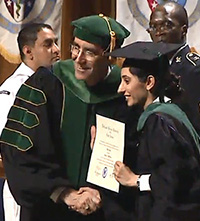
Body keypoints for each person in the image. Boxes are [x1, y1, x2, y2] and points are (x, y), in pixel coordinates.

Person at [0, 15, 136, 221]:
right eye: (75, 47)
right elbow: (17, 150)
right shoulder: (46, 83)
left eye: (89, 52)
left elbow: (141, 160)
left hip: (104, 212)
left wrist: (101, 195)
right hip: (49, 209)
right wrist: (63, 192)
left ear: (109, 55)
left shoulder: (125, 93)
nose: (78, 58)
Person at [110, 41, 200, 221]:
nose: (121, 89)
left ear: (149, 82)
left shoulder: (159, 122)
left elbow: (172, 180)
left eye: (127, 81)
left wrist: (134, 180)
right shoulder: (173, 109)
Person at [0, 23, 60, 221]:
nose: (57, 50)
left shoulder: (55, 83)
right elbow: (10, 143)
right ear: (28, 51)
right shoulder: (14, 89)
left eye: (56, 43)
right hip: (23, 187)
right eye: (48, 44)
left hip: (50, 185)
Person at [147, 1, 200, 135]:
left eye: (166, 25)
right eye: (153, 27)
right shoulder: (149, 66)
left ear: (184, 30)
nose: (158, 32)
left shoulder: (194, 69)